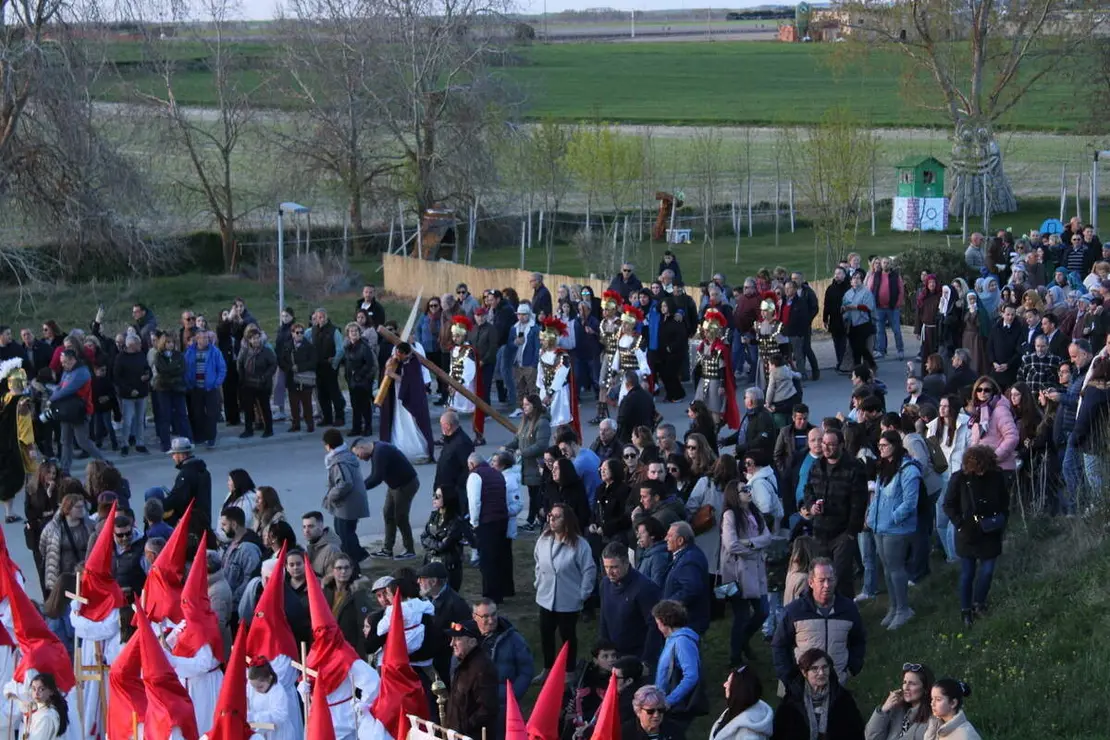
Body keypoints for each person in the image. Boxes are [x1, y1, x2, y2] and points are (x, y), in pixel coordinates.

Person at [771, 558, 866, 688]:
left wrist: (851, 669)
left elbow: (859, 640)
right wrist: (789, 677)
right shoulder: (794, 611)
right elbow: (779, 646)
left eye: (830, 580)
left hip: (837, 685)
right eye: (821, 580)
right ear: (811, 582)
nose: (827, 585)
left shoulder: (849, 609)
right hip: (803, 687)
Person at [942, 445, 1009, 628]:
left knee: (987, 571)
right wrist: (960, 524)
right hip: (968, 533)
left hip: (990, 530)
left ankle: (979, 603)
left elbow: (1004, 502)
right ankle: (966, 610)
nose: (980, 473)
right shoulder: (959, 478)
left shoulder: (996, 476)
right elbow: (948, 504)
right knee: (967, 573)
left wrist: (1002, 521)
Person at [532, 503, 595, 682]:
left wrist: (583, 594)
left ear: (566, 520)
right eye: (550, 515)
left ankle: (569, 671)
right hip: (546, 597)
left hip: (568, 598)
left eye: (557, 516)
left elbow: (589, 570)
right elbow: (538, 562)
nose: (552, 519)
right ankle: (547, 668)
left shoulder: (580, 545)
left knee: (567, 637)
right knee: (546, 634)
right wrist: (539, 582)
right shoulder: (544, 539)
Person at [869, 432, 921, 630]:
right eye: (879, 445)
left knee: (896, 568)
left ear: (895, 445)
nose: (880, 449)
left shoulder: (908, 470)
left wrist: (893, 517)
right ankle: (894, 606)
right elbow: (878, 496)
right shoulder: (884, 467)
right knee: (887, 568)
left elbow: (910, 502)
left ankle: (903, 609)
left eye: (884, 445)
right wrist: (871, 516)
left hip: (896, 529)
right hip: (880, 526)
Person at [719, 479, 773, 666]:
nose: (749, 492)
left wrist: (750, 543)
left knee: (763, 611)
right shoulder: (729, 515)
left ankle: (743, 641)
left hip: (756, 572)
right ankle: (735, 657)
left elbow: (767, 537)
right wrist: (754, 551)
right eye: (744, 490)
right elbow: (731, 544)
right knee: (741, 616)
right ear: (735, 494)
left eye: (748, 488)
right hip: (735, 575)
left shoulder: (755, 513)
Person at [772, 648, 866, 740]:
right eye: (814, 669)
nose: (821, 673)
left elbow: (857, 732)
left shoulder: (842, 698)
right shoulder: (792, 700)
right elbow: (779, 734)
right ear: (804, 672)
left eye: (825, 667)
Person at [599, 541, 663, 668]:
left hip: (637, 656)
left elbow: (654, 627)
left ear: (626, 563)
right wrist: (603, 650)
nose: (609, 572)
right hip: (613, 655)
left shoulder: (644, 588)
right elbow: (604, 618)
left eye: (614, 567)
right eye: (606, 567)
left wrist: (646, 660)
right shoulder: (605, 584)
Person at [356, 440, 420, 561]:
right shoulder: (376, 451)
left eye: (357, 454)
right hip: (394, 486)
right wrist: (361, 486)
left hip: (405, 485)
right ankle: (387, 549)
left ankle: (409, 550)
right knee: (388, 514)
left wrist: (359, 488)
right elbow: (375, 475)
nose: (359, 458)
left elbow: (376, 478)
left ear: (362, 447)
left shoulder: (380, 451)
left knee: (400, 517)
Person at [465, 451, 512, 603]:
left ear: (472, 464)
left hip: (486, 521)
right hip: (502, 519)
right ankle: (503, 590)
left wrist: (474, 523)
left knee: (487, 559)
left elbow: (474, 502)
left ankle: (491, 593)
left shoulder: (475, 476)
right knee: (499, 556)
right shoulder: (497, 473)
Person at [652, 599, 705, 731]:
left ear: (663, 622)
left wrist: (670, 700)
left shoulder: (682, 642)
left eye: (657, 623)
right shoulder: (672, 640)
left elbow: (691, 675)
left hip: (677, 706)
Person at [503, 393, 551, 532]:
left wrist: (522, 452)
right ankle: (533, 519)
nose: (524, 407)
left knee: (538, 494)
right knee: (532, 494)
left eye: (527, 405)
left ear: (534, 406)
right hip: (528, 466)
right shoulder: (525, 422)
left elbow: (541, 445)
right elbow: (518, 440)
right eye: (523, 405)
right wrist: (507, 447)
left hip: (537, 465)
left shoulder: (542, 423)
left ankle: (535, 520)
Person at [444, 620, 499, 740]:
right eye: (452, 639)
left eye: (457, 639)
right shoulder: (463, 664)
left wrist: (465, 727)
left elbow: (488, 708)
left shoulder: (482, 668)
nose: (452, 644)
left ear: (472, 642)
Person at [50, 349, 102, 474]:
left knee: (83, 441)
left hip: (80, 412)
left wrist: (51, 399)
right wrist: (54, 392)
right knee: (65, 441)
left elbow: (68, 389)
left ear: (72, 359)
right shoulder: (67, 371)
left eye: (64, 362)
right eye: (62, 362)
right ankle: (65, 469)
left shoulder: (82, 373)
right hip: (67, 411)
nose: (62, 365)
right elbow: (60, 386)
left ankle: (104, 463)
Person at [472, 598, 533, 703]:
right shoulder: (466, 638)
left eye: (493, 615)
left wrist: (512, 694)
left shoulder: (514, 639)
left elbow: (526, 670)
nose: (491, 621)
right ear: (474, 617)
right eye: (485, 616)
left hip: (504, 702)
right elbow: (456, 667)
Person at [864, 662, 935, 740]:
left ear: (925, 689)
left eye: (912, 684)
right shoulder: (896, 709)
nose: (906, 688)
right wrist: (884, 710)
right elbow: (871, 737)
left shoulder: (931, 718)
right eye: (904, 682)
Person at [662, 521, 710, 636]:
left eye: (670, 536)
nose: (665, 539)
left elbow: (691, 589)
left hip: (688, 622)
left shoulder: (689, 559)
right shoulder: (688, 554)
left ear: (680, 541)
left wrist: (666, 606)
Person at [322, 554, 372, 659]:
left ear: (352, 569)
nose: (343, 571)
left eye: (346, 568)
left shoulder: (358, 592)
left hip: (349, 649)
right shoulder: (325, 591)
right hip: (327, 646)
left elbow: (363, 625)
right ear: (333, 570)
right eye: (339, 568)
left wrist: (359, 655)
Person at [183, 330, 227, 448]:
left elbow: (222, 369)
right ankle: (199, 437)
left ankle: (211, 437)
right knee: (198, 413)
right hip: (195, 388)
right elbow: (185, 369)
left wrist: (216, 383)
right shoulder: (190, 352)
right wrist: (189, 383)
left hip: (210, 388)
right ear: (197, 339)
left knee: (212, 413)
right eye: (203, 338)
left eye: (207, 338)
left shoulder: (215, 352)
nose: (205, 340)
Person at [164, 437, 212, 542]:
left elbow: (178, 498)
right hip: (204, 519)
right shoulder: (203, 471)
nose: (173, 457)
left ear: (182, 455)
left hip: (192, 523)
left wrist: (162, 505)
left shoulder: (186, 474)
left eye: (174, 454)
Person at [709, 666, 774, 740]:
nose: (724, 685)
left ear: (739, 691)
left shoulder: (749, 735)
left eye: (729, 683)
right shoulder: (739, 707)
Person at [305, 308, 346, 427]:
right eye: (318, 317)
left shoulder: (334, 331)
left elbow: (340, 349)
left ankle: (340, 417)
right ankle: (327, 418)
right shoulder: (311, 331)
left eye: (323, 316)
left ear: (326, 317)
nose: (321, 319)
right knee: (321, 394)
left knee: (334, 393)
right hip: (318, 367)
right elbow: (304, 342)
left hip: (330, 367)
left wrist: (334, 364)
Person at [114, 334, 151, 455]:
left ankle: (140, 443)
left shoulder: (141, 355)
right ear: (131, 345)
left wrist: (148, 375)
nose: (140, 346)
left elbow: (147, 368)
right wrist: (129, 390)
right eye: (138, 343)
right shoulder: (121, 358)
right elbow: (117, 377)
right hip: (127, 395)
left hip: (142, 392)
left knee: (140, 420)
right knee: (127, 421)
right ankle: (124, 444)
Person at [237, 327, 277, 439]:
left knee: (265, 407)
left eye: (257, 338)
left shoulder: (266, 351)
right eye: (253, 338)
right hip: (248, 383)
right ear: (249, 340)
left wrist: (265, 377)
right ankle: (248, 429)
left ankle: (268, 429)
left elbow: (273, 364)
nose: (256, 340)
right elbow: (240, 363)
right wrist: (242, 377)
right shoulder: (245, 351)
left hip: (263, 383)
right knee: (248, 408)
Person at [247, 659, 302, 740]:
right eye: (253, 687)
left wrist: (257, 718)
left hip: (278, 733)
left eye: (260, 687)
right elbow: (248, 700)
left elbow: (280, 715)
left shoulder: (277, 690)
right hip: (260, 730)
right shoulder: (253, 686)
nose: (256, 690)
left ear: (270, 678)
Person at [219, 506, 263, 606]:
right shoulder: (232, 543)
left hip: (237, 605)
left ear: (234, 524)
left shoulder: (248, 549)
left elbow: (250, 579)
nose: (222, 528)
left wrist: (234, 598)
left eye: (224, 524)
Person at [433, 410, 473, 514]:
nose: (441, 427)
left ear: (448, 426)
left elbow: (467, 468)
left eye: (442, 425)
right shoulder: (450, 439)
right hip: (444, 491)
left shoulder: (462, 442)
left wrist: (456, 489)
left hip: (453, 495)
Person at [279, 322, 317, 433]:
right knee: (294, 404)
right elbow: (281, 361)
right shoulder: (287, 346)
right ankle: (295, 424)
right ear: (292, 333)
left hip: (305, 379)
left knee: (307, 403)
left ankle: (310, 424)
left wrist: (300, 367)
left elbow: (313, 362)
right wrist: (290, 368)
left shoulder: (309, 346)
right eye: (297, 332)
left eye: (301, 332)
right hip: (292, 379)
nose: (299, 334)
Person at [18, 674, 70, 740]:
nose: (36, 693)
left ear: (51, 691)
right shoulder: (41, 711)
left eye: (41, 689)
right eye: (34, 689)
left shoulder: (46, 716)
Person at [617, 369, 656, 444]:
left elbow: (621, 420)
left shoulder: (627, 399)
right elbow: (653, 415)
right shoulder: (648, 396)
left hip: (630, 437)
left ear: (626, 384)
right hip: (646, 433)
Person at [302, 511, 342, 579]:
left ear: (321, 526)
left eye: (310, 526)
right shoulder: (311, 546)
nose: (306, 531)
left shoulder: (332, 550)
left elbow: (333, 580)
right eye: (304, 527)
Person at [636, 517, 669, 589]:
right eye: (638, 533)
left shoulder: (658, 557)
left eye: (642, 533)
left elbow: (656, 587)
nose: (638, 536)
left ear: (652, 535)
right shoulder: (646, 554)